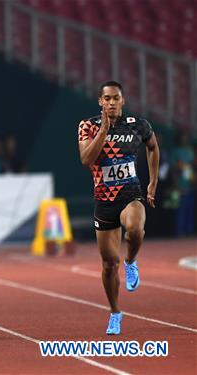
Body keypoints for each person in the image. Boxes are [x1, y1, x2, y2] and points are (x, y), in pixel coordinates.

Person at [77, 81, 159, 335]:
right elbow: (86, 159)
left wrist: (152, 183)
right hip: (104, 201)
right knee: (108, 264)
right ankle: (115, 312)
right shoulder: (88, 126)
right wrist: (103, 130)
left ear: (122, 100)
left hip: (131, 194)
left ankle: (132, 261)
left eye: (116, 98)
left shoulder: (138, 125)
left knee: (135, 229)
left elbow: (153, 147)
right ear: (100, 101)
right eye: (107, 99)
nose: (112, 103)